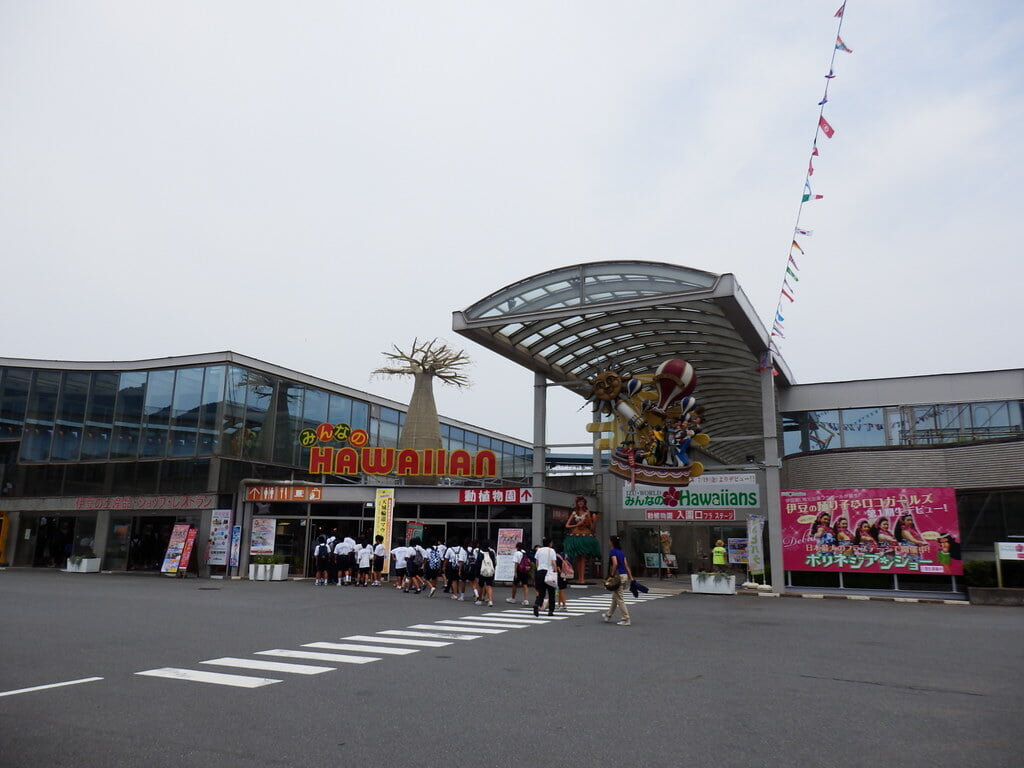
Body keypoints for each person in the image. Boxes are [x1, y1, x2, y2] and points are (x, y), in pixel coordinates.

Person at [564, 495, 601, 584]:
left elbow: (591, 527)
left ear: (584, 503)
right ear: (577, 503)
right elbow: (567, 525)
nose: (581, 503)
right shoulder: (574, 513)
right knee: (578, 557)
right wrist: (577, 525)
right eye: (579, 502)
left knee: (583, 557)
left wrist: (594, 520)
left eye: (582, 502)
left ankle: (582, 579)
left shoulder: (587, 512)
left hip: (585, 533)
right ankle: (579, 578)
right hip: (576, 533)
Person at [603, 535, 633, 626]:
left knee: (619, 598)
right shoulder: (621, 552)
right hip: (624, 575)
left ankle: (626, 618)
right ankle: (608, 615)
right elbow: (626, 565)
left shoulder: (613, 551)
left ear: (612, 542)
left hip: (618, 576)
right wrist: (631, 577)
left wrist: (611, 575)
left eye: (609, 540)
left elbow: (615, 563)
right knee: (615, 597)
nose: (608, 542)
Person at [532, 537, 558, 617]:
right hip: (549, 573)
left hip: (540, 572)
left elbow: (537, 562)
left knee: (541, 592)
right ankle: (550, 611)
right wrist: (555, 571)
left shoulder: (539, 550)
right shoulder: (552, 551)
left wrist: (538, 570)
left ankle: (537, 604)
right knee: (551, 593)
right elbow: (553, 562)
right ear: (550, 543)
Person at [476, 540, 497, 607]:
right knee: (489, 585)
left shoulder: (480, 552)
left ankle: (479, 600)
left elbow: (478, 563)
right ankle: (490, 601)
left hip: (482, 571)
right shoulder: (491, 552)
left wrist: (477, 572)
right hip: (490, 571)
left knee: (480, 585)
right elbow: (494, 562)